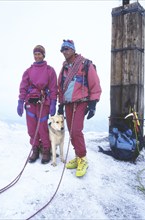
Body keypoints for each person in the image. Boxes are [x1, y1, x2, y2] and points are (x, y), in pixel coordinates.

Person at [57, 40, 102, 177]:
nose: (64, 52)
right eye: (62, 50)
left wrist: (93, 104)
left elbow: (94, 84)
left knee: (76, 130)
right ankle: (78, 156)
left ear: (73, 50)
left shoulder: (85, 64)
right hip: (68, 104)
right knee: (72, 131)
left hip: (81, 102)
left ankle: (83, 158)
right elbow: (61, 87)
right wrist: (61, 105)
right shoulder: (64, 67)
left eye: (66, 49)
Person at [17, 45, 58, 164]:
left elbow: (53, 88)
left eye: (39, 54)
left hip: (43, 103)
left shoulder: (50, 70)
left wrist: (53, 103)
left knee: (43, 128)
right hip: (30, 102)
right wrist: (20, 102)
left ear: (43, 55)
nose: (37, 56)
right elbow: (23, 87)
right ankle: (35, 148)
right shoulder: (28, 71)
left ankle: (46, 149)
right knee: (31, 128)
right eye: (35, 54)